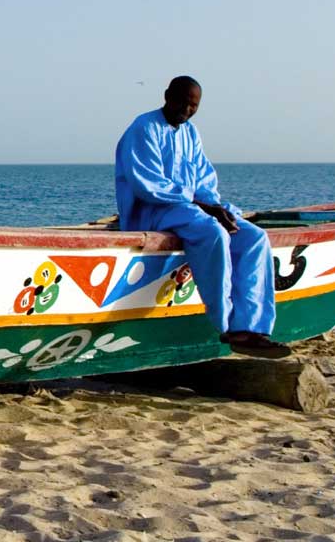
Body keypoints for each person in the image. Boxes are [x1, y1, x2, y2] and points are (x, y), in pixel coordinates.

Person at [115, 76, 290, 358]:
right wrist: (204, 207)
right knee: (212, 232)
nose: (186, 110)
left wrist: (215, 206)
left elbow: (204, 181)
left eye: (193, 105)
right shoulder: (144, 127)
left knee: (252, 236)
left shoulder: (190, 133)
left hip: (190, 208)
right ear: (167, 96)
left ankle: (253, 328)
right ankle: (227, 325)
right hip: (153, 210)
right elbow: (148, 186)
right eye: (182, 102)